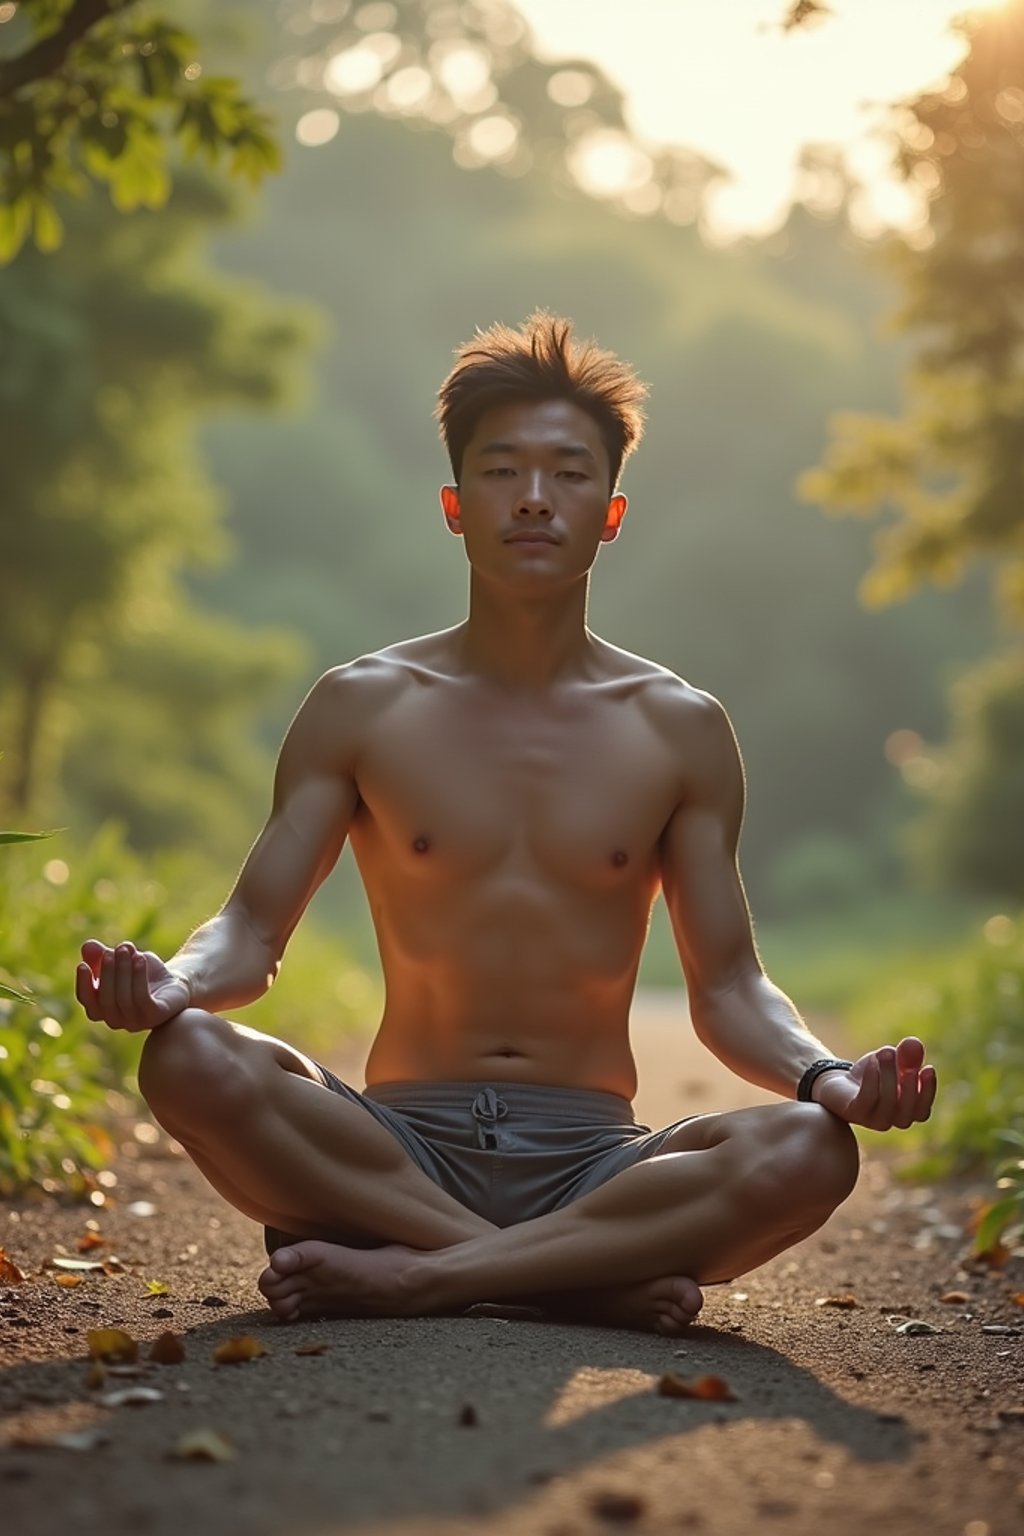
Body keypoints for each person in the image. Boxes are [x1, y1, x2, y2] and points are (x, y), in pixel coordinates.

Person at [76, 313, 936, 1336]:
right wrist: (176, 979)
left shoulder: (679, 729)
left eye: (568, 473)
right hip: (395, 1146)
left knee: (809, 1149)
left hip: (596, 1164)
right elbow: (250, 935)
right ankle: (558, 1282)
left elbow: (729, 985)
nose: (534, 497)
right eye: (502, 470)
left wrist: (825, 1075)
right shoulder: (363, 704)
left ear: (610, 513)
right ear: (454, 505)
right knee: (183, 1054)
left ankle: (418, 1273)